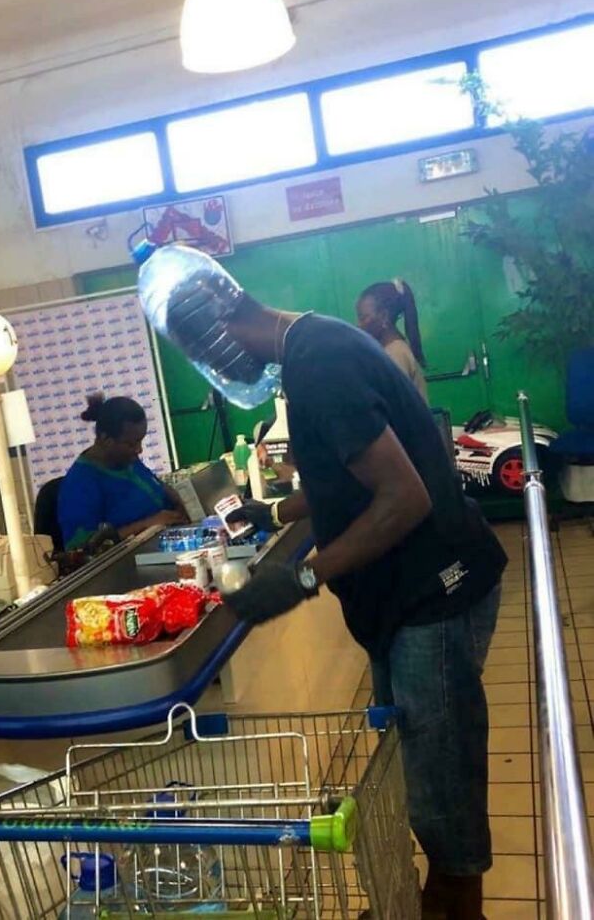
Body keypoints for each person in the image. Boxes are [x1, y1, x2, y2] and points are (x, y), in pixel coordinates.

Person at [139, 248, 507, 920]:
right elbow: (350, 474)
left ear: (219, 321)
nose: (220, 370)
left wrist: (303, 575)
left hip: (436, 594)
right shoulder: (317, 339)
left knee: (441, 797)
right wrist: (274, 510)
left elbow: (404, 497)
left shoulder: (321, 367)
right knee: (408, 769)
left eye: (206, 352)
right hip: (404, 601)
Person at [58, 394, 186, 550]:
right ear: (106, 440)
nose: (139, 450)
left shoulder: (126, 459)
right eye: (131, 444)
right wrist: (148, 524)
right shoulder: (80, 484)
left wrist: (180, 500)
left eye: (140, 441)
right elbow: (82, 549)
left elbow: (154, 486)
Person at [357, 278, 428, 401]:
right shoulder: (395, 349)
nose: (359, 325)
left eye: (364, 318)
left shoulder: (395, 355)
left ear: (384, 316)